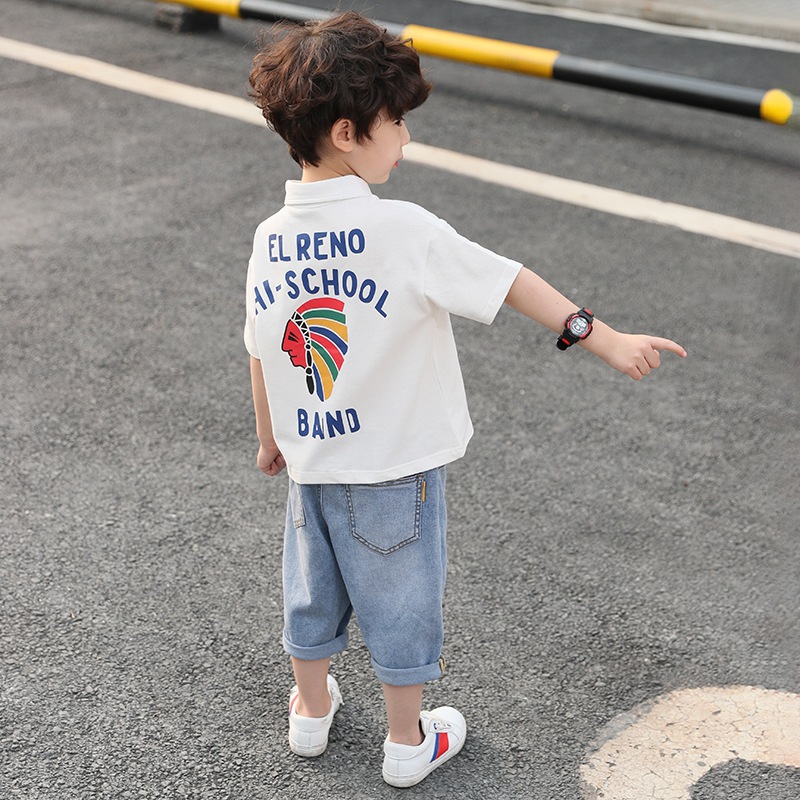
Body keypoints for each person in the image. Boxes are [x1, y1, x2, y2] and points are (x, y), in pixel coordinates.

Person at [245, 10, 686, 788]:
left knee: (310, 593)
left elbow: (262, 344)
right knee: (401, 602)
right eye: (396, 122)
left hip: (312, 464)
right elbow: (507, 280)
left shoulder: (270, 237)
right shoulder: (404, 229)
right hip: (395, 472)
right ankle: (406, 741)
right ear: (347, 133)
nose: (406, 137)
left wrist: (269, 436)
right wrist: (603, 336)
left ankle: (310, 713)